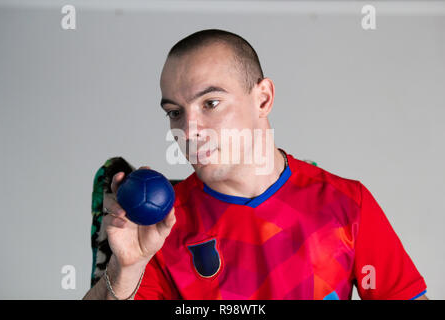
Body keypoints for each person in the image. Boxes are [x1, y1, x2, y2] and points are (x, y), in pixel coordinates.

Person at [83, 29, 427, 300]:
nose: (189, 131)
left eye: (211, 103)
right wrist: (125, 268)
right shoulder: (160, 229)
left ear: (263, 98)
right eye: (175, 112)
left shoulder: (348, 203)